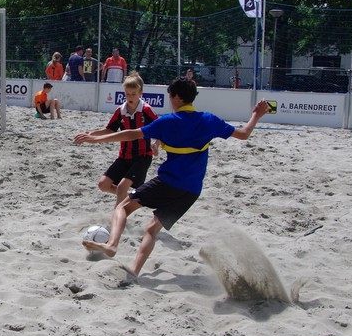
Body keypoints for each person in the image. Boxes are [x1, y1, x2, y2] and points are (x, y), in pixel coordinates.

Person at [73, 78, 269, 277]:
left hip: (168, 182)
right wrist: (256, 115)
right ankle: (134, 271)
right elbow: (244, 134)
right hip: (191, 191)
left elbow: (131, 134)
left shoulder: (168, 121)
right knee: (152, 229)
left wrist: (96, 139)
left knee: (123, 207)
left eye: (170, 97)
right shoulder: (208, 119)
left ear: (176, 97)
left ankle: (112, 244)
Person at [83, 73, 158, 205]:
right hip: (124, 156)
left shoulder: (146, 110)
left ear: (141, 93)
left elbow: (161, 129)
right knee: (103, 185)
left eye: (133, 94)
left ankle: (118, 215)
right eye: (127, 94)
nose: (130, 97)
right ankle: (131, 196)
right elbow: (110, 130)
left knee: (122, 187)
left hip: (142, 157)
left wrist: (156, 144)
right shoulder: (120, 111)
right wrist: (91, 133)